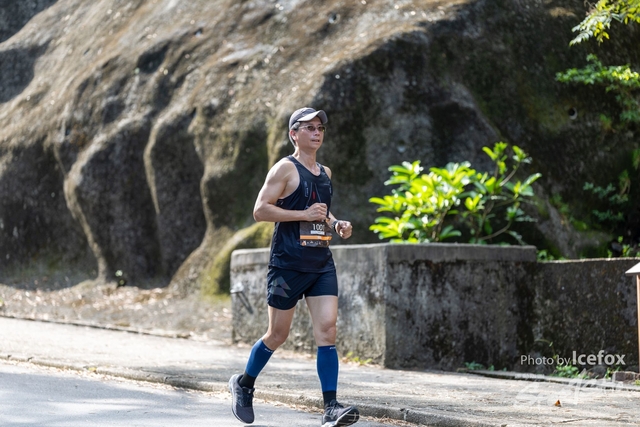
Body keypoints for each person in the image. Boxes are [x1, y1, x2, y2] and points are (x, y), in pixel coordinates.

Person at [228, 107, 360, 427]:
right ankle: (244, 384)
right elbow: (260, 210)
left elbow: (321, 211)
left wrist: (336, 223)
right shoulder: (284, 169)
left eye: (320, 128)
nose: (316, 133)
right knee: (278, 334)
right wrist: (303, 214)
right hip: (287, 265)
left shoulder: (325, 173)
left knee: (327, 330)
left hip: (320, 263)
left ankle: (331, 407)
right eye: (309, 128)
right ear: (293, 134)